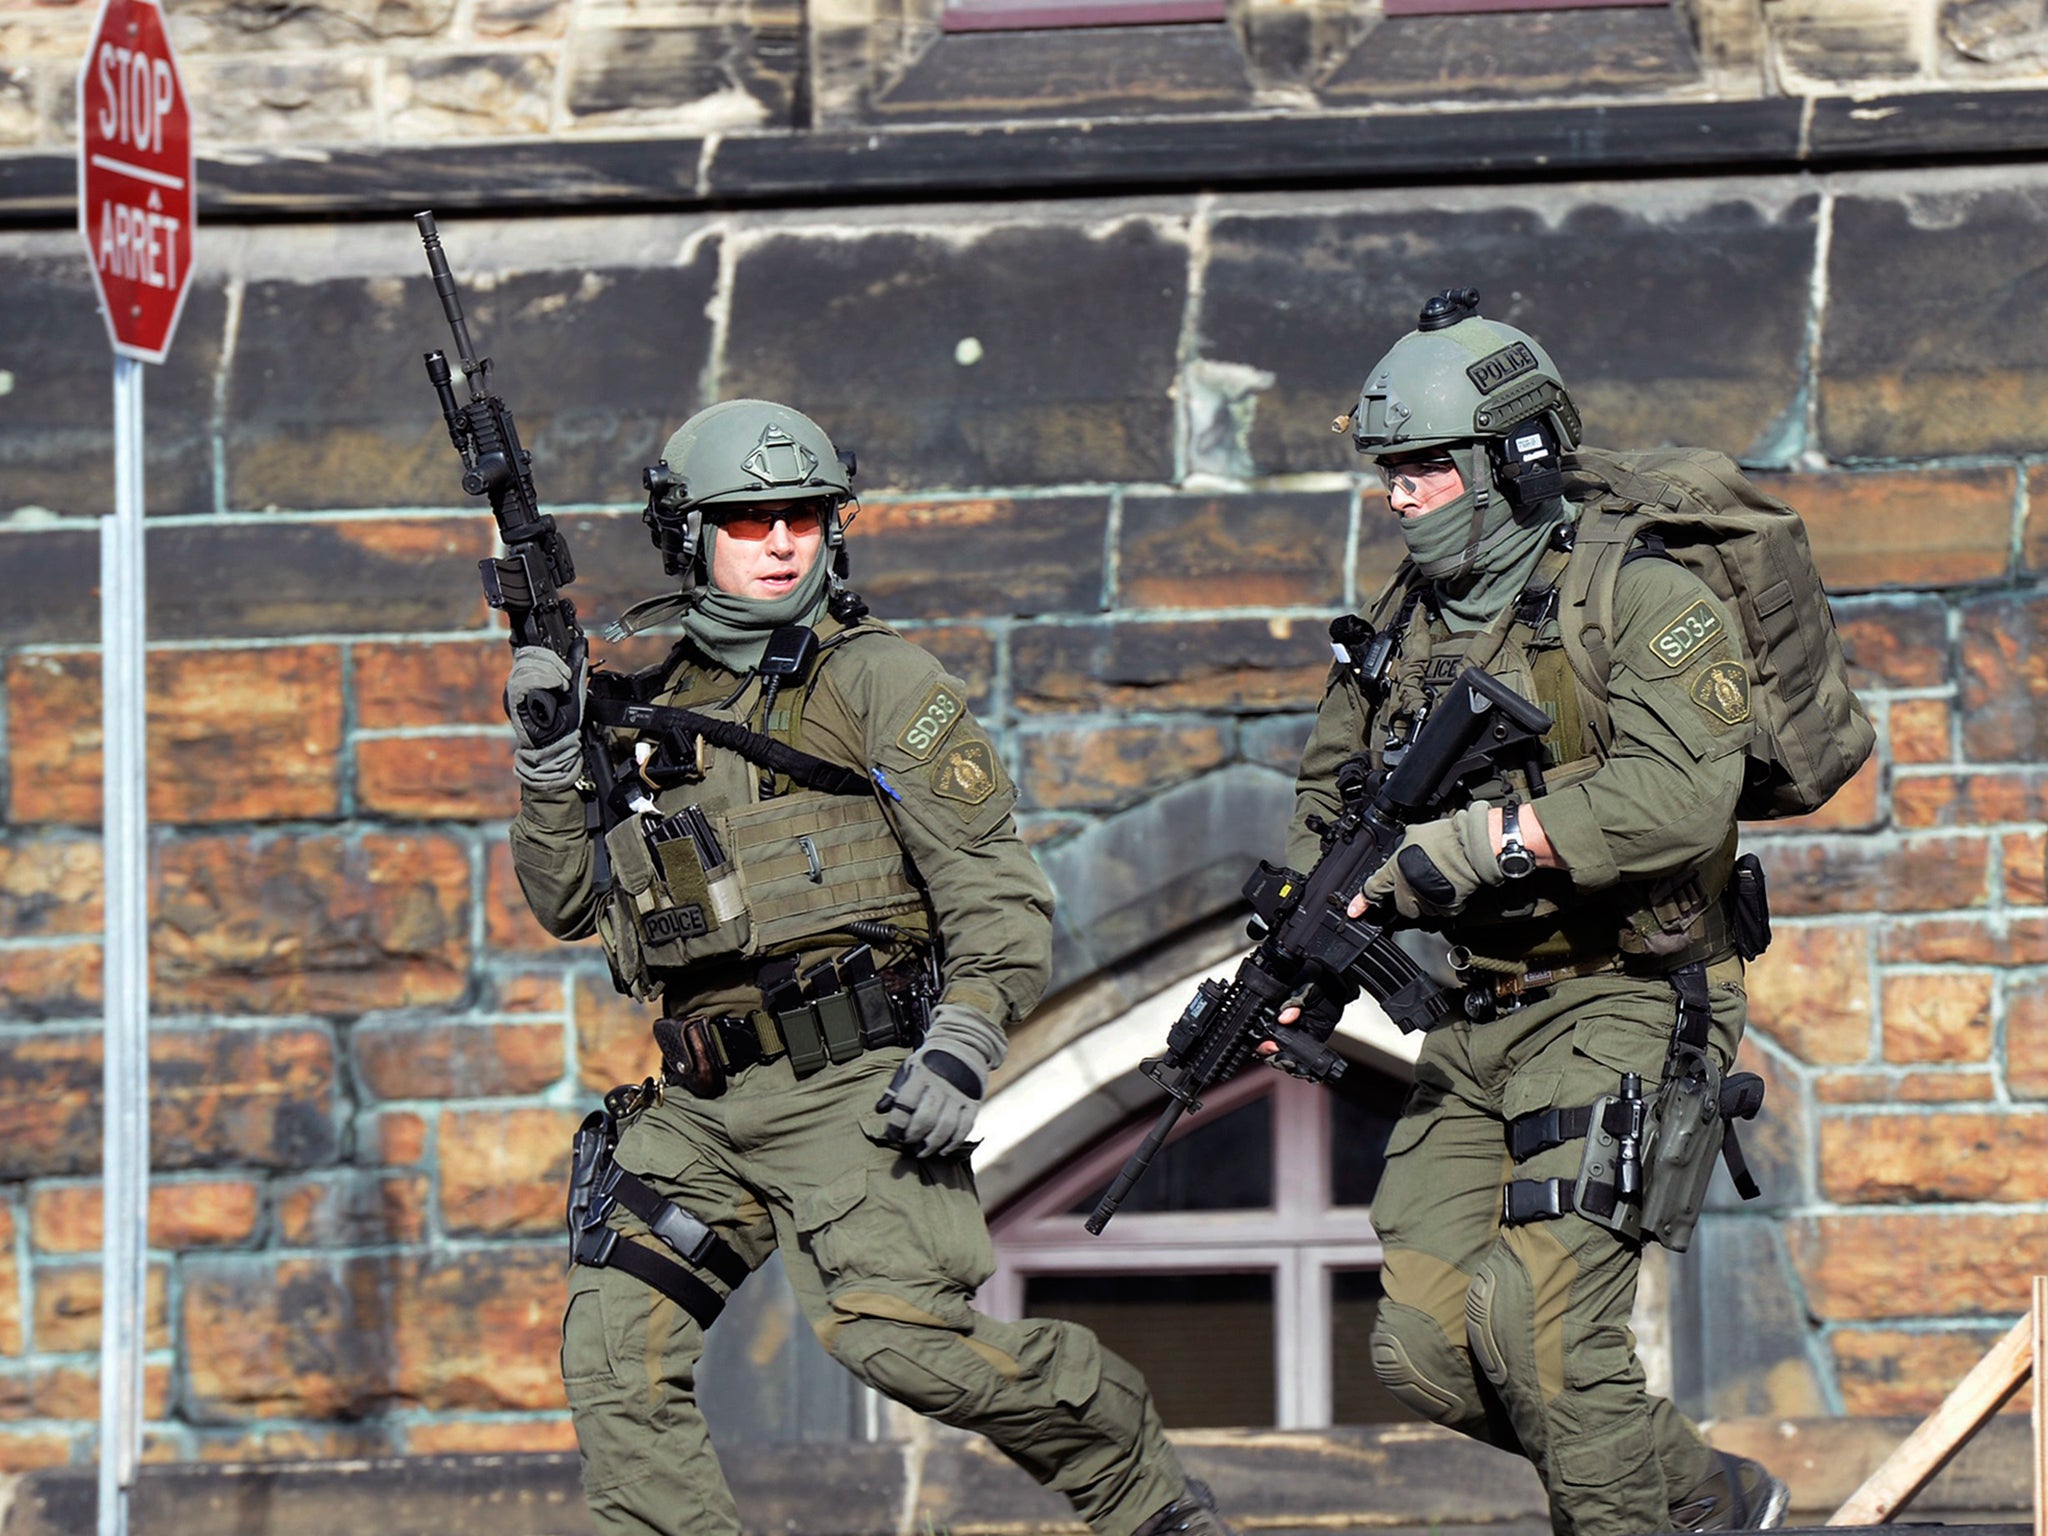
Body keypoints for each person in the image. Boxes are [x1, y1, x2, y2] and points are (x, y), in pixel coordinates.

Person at [503, 398, 1235, 1536]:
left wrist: (963, 1041)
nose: (781, 541)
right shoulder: (654, 710)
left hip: (848, 1088)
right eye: (746, 522)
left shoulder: (877, 682)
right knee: (612, 1355)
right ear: (688, 537)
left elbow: (993, 887)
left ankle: (1132, 1478)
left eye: (800, 515)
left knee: (898, 1343)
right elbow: (562, 904)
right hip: (698, 1106)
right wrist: (550, 766)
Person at [1280, 293, 1793, 1536]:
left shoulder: (1642, 597)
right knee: (1423, 1345)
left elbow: (1679, 794)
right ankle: (1698, 1495)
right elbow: (1329, 805)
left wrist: (1482, 841)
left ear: (1504, 461)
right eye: (1385, 472)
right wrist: (1306, 956)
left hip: (1626, 991)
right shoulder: (1401, 625)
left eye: (1418, 469)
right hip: (1472, 1021)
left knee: (1546, 1333)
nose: (1395, 496)